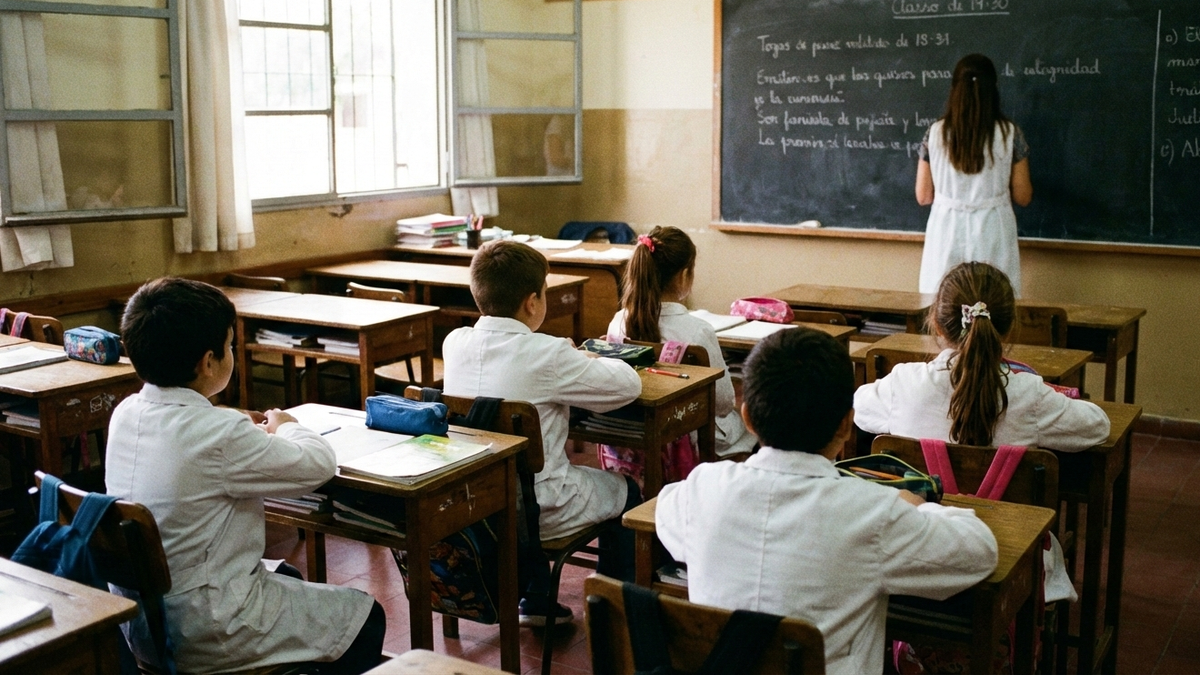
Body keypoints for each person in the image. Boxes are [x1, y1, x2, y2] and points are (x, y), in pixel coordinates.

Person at [655, 328, 998, 675]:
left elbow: (666, 509)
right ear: (847, 425)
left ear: (748, 419)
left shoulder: (701, 489)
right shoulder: (872, 513)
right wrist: (918, 505)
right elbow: (980, 551)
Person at [106, 278, 384, 674]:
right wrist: (287, 425)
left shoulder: (126, 412)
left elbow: (191, 437)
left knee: (286, 575)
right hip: (206, 628)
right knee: (365, 618)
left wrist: (229, 421)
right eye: (230, 346)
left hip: (144, 622)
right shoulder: (219, 434)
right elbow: (318, 464)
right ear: (208, 362)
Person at [442, 239, 643, 626]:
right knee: (627, 491)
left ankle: (537, 597)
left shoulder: (455, 343)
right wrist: (584, 357)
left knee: (522, 480)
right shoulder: (548, 353)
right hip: (542, 509)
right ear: (532, 302)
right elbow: (628, 386)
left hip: (476, 504)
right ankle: (611, 609)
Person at [854, 261, 1110, 451]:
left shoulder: (905, 383)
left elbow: (858, 407)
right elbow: (1098, 426)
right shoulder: (1029, 395)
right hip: (1004, 513)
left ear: (937, 325)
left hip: (921, 509)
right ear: (1008, 329)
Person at [606, 226, 755, 458]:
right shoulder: (698, 331)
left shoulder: (618, 321)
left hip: (632, 429)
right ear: (684, 275)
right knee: (748, 426)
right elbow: (723, 402)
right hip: (685, 433)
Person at [917, 53, 1033, 296]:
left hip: (946, 231)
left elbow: (923, 195)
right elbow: (1023, 196)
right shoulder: (1010, 133)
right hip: (993, 230)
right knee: (994, 302)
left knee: (945, 303)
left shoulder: (935, 133)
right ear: (993, 89)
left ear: (955, 90)